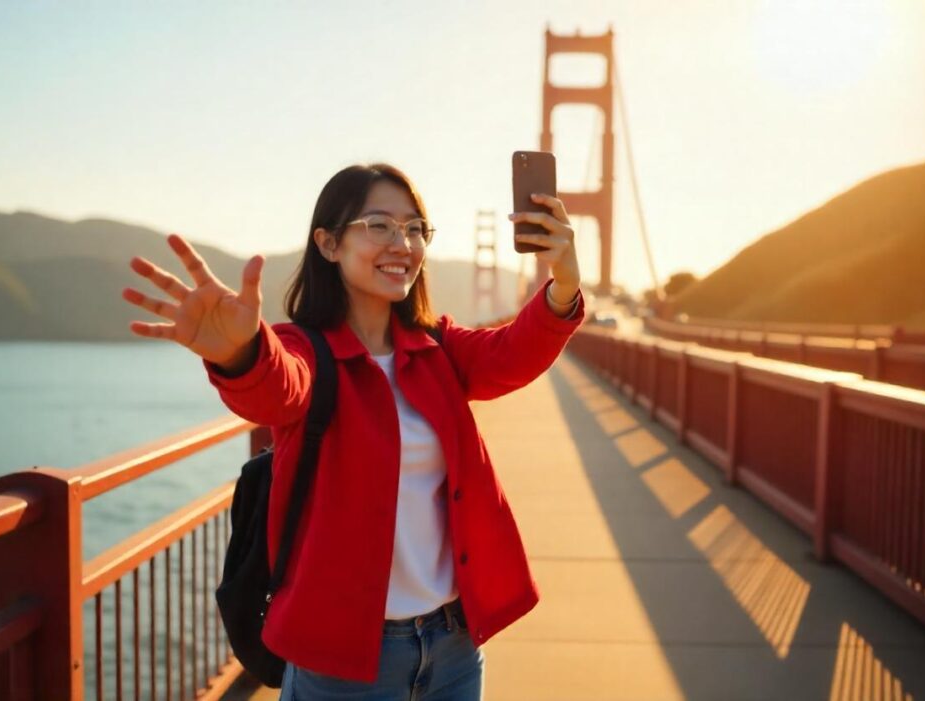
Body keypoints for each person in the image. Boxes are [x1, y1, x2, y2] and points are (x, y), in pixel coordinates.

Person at [122, 163, 584, 700]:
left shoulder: (437, 346)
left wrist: (564, 284)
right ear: (328, 243)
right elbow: (278, 385)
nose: (402, 243)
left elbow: (512, 354)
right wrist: (241, 352)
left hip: (453, 646)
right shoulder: (305, 350)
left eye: (414, 229)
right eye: (379, 226)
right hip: (346, 662)